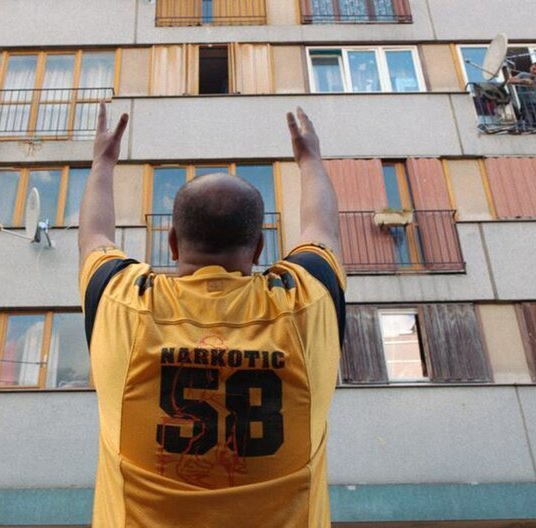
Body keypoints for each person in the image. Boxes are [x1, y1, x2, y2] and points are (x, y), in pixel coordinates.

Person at [79, 103, 346, 527]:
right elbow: (323, 230)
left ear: (171, 243)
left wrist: (102, 164)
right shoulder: (306, 304)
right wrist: (310, 159)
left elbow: (94, 236)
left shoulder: (123, 302)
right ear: (259, 249)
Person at [508, 61, 536, 129]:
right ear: (530, 68)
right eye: (534, 69)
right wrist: (523, 81)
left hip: (535, 103)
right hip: (525, 103)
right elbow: (510, 81)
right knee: (529, 121)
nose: (535, 71)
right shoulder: (523, 74)